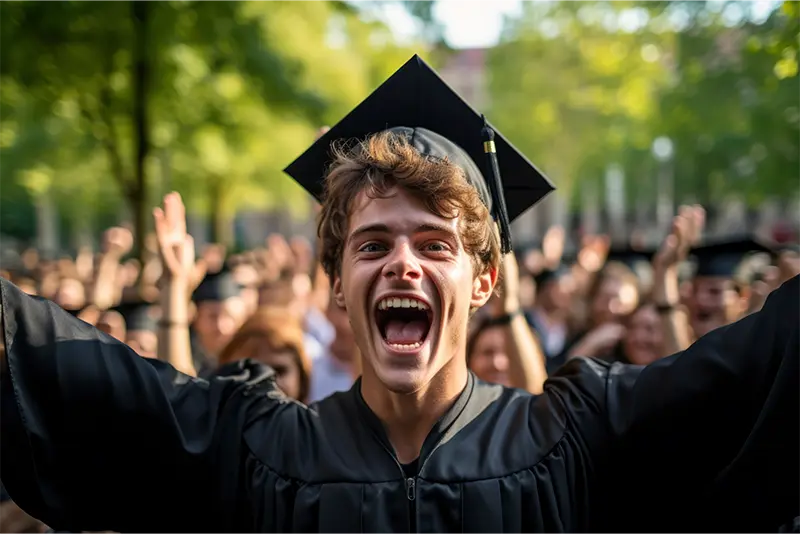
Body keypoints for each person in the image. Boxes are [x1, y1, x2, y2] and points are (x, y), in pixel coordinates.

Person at [2, 54, 800, 534]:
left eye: (435, 244)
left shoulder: (578, 444)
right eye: (372, 244)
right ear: (337, 285)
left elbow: (760, 373)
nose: (402, 264)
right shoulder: (255, 452)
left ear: (484, 279)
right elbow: (54, 371)